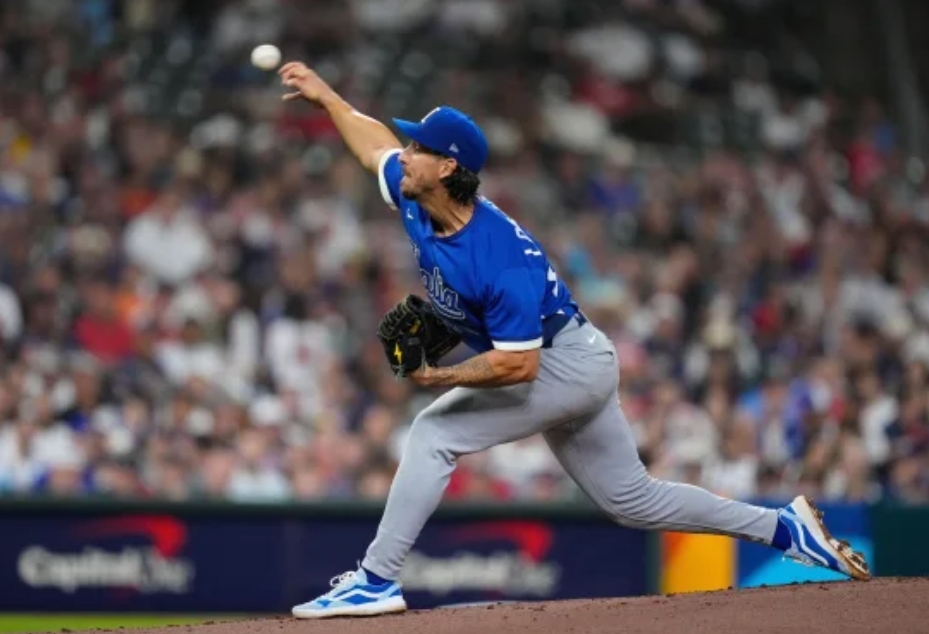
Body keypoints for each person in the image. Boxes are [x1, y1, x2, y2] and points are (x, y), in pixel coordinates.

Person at [278, 61, 870, 619]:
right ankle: (784, 529)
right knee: (632, 501)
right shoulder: (418, 197)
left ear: (448, 168)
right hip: (582, 357)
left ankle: (377, 579)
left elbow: (519, 368)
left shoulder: (497, 256)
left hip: (560, 363)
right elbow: (373, 144)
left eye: (419, 150)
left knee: (434, 430)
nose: (404, 156)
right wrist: (328, 96)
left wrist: (441, 377)